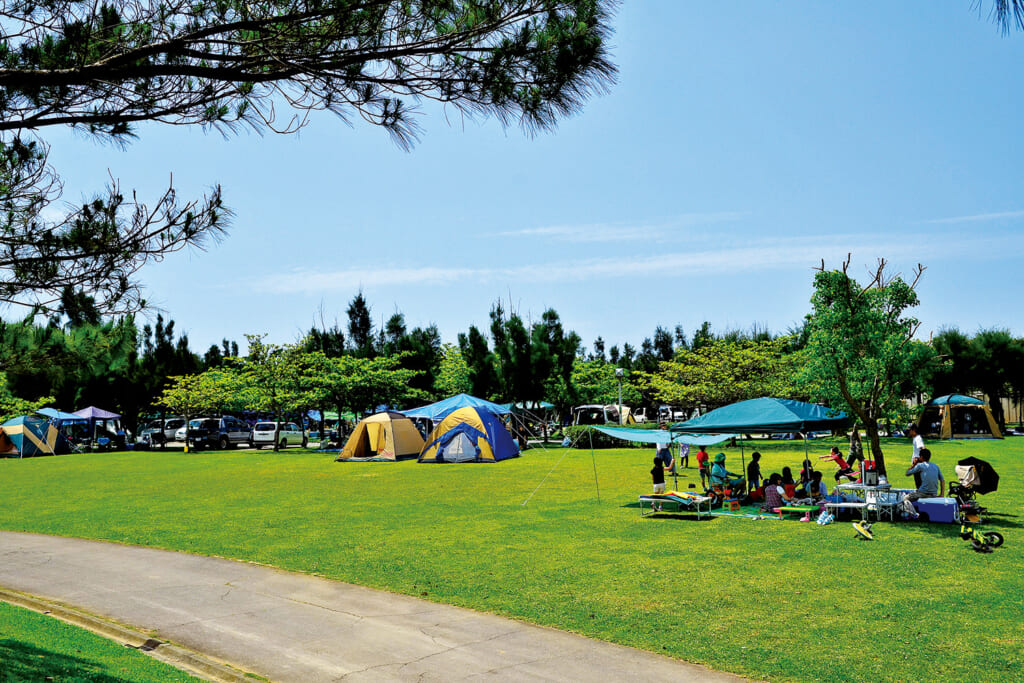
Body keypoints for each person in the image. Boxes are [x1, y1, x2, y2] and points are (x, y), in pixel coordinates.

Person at [901, 448, 944, 519]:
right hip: (934, 493)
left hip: (923, 493)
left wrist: (914, 464)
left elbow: (907, 473)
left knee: (905, 498)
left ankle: (914, 514)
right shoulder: (936, 466)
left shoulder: (920, 466)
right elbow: (942, 480)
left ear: (921, 457)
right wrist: (941, 494)